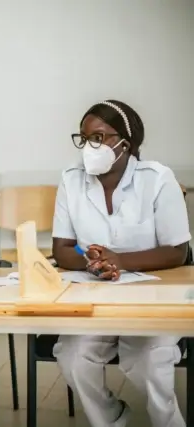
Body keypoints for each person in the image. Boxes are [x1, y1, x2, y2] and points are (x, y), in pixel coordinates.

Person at [52, 100, 190, 427]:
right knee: (72, 357)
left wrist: (120, 261)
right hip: (95, 296)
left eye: (98, 138)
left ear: (125, 144)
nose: (89, 146)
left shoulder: (157, 179)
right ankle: (111, 418)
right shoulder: (71, 179)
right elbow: (61, 249)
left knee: (147, 361)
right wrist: (90, 261)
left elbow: (178, 252)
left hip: (153, 297)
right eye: (84, 138)